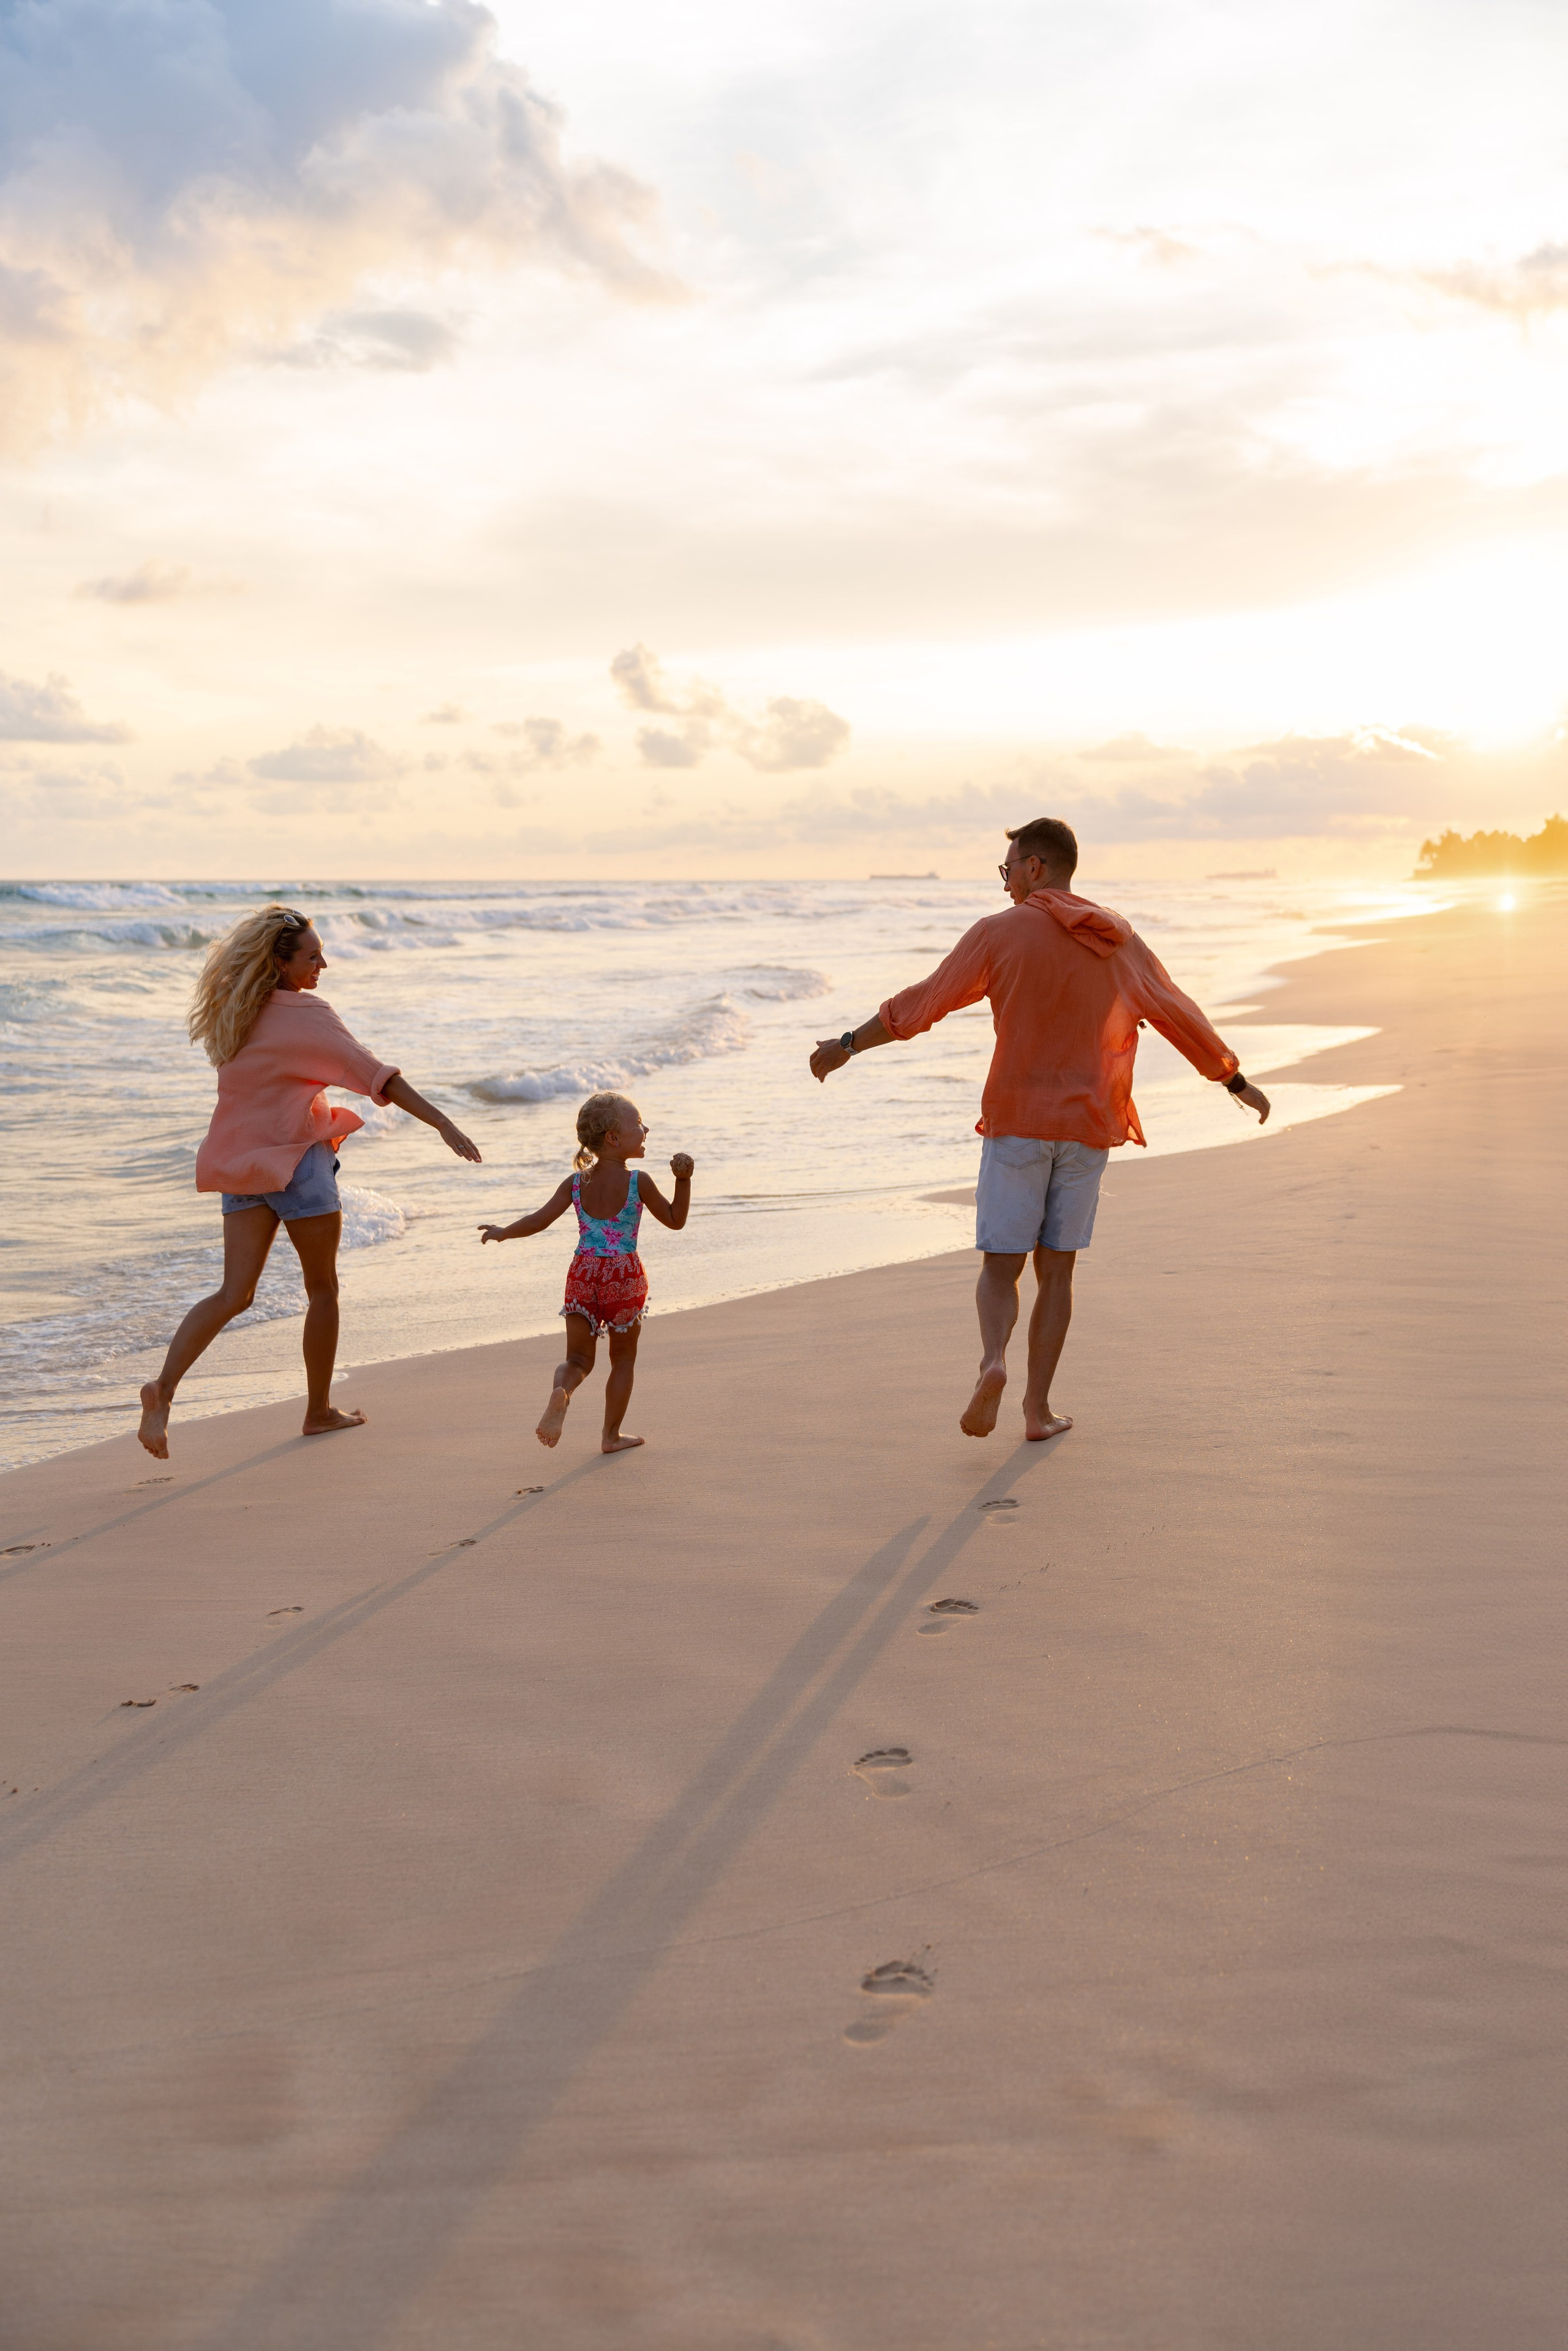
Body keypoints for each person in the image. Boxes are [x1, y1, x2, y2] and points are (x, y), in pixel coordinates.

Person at [810, 818, 1271, 1441]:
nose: (1005, 886)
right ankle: (1038, 1411)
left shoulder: (998, 933)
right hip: (1087, 1128)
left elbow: (923, 1004)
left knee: (1001, 1266)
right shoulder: (1120, 940)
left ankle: (992, 1363)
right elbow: (1176, 1011)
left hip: (1018, 1123)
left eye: (1008, 871)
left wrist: (846, 1045)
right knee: (1058, 1271)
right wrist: (1234, 1081)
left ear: (1035, 867)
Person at [137, 904, 481, 1459]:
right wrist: (442, 1122)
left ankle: (164, 1388)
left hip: (242, 1166)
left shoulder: (234, 1015)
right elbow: (377, 1075)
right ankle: (318, 1411)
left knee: (233, 1293)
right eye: (313, 957)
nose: (324, 965)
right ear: (281, 962)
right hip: (298, 1163)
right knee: (323, 1289)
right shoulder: (309, 1014)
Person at [478, 1091, 693, 1455]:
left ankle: (562, 1392)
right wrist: (683, 1181)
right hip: (623, 1277)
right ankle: (611, 1436)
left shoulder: (576, 1183)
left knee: (577, 1360)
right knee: (622, 1360)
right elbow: (675, 1220)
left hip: (582, 1274)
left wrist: (503, 1233)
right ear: (614, 1137)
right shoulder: (638, 1181)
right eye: (639, 1124)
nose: (646, 1130)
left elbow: (539, 1220)